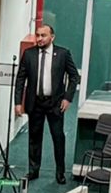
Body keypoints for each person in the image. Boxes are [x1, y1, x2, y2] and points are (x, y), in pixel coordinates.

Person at [13, 21, 81, 184]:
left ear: (52, 37)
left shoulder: (63, 54)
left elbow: (74, 77)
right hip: (35, 102)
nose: (39, 39)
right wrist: (18, 102)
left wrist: (68, 98)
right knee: (34, 138)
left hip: (55, 103)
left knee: (58, 137)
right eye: (37, 35)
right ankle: (33, 170)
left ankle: (60, 172)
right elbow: (20, 79)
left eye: (43, 35)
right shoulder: (29, 54)